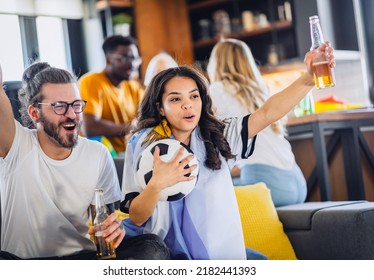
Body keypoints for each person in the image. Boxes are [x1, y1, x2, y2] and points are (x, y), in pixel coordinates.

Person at [0, 0, 168, 260]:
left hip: (83, 259)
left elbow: (107, 220)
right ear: (35, 112)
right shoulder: (16, 145)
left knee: (152, 246)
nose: (71, 114)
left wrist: (114, 229)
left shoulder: (97, 154)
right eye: (59, 106)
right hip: (28, 265)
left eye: (75, 105)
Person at [119, 43, 334, 259]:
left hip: (215, 251)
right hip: (164, 253)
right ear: (160, 107)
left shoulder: (218, 135)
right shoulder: (143, 144)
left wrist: (309, 78)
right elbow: (137, 218)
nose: (188, 105)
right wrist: (157, 184)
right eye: (175, 99)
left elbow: (267, 113)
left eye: (194, 96)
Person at [207, 38, 307, 207]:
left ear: (215, 63)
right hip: (297, 181)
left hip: (268, 185)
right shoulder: (261, 90)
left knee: (209, 197)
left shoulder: (217, 90)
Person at [78, 35, 144, 155]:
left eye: (135, 59)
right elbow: (90, 127)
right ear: (109, 59)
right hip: (103, 155)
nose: (132, 64)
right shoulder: (91, 81)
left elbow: (145, 119)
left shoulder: (133, 86)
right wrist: (131, 127)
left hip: (130, 152)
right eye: (125, 59)